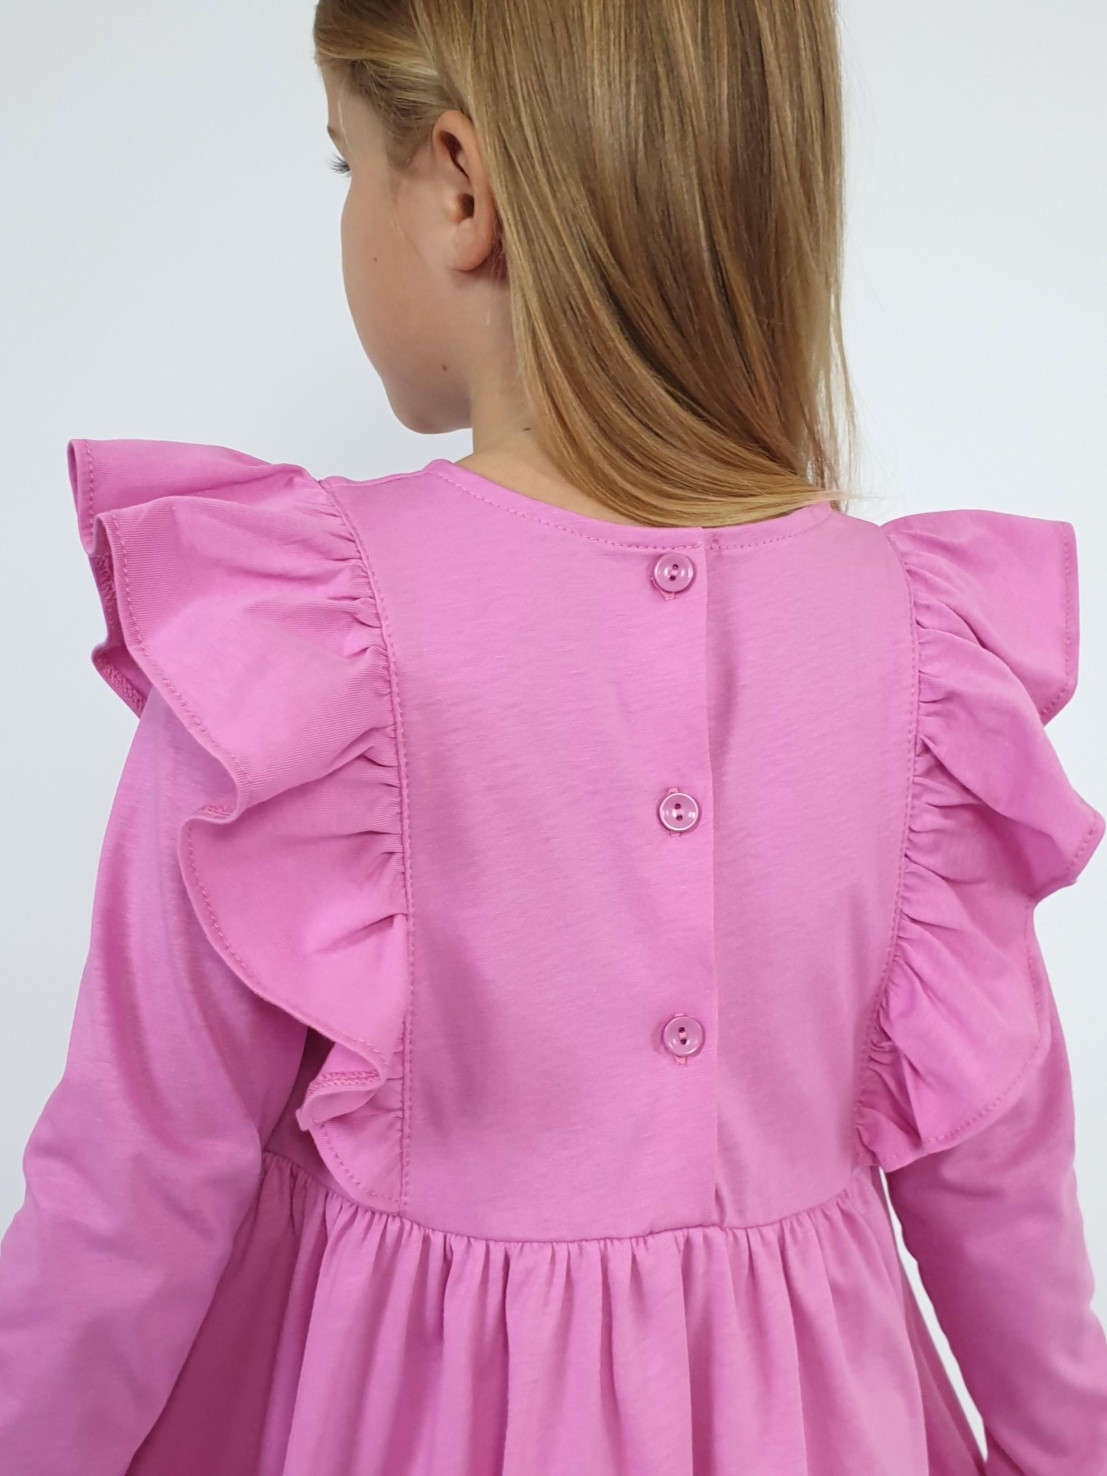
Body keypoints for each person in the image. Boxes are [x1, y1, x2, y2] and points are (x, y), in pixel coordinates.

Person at [1, 1, 1104, 1472]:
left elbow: (131, 1192)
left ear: (461, 186)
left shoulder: (288, 642)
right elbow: (1003, 1200)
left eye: (346, 164)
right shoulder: (929, 650)